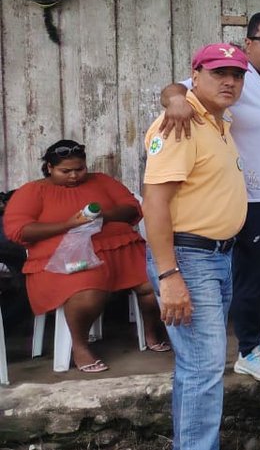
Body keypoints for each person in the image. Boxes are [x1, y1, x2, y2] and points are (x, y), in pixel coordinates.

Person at [158, 11, 260, 383]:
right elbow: (176, 89)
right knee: (251, 277)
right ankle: (248, 348)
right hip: (250, 199)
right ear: (249, 44)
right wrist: (176, 101)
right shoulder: (233, 78)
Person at [142, 43, 252, 450]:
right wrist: (168, 274)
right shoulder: (179, 122)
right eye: (218, 72)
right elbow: (155, 202)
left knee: (196, 368)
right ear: (196, 74)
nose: (229, 81)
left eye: (236, 74)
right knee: (205, 368)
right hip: (187, 259)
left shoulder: (215, 123)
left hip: (215, 257)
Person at [3, 140, 168, 373]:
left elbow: (132, 209)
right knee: (88, 292)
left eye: (79, 169)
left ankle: (153, 331)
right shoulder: (33, 191)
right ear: (49, 167)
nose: (74, 176)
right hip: (62, 261)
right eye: (65, 171)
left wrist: (105, 215)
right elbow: (18, 231)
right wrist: (67, 224)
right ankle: (80, 347)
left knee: (156, 283)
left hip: (120, 250)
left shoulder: (102, 181)